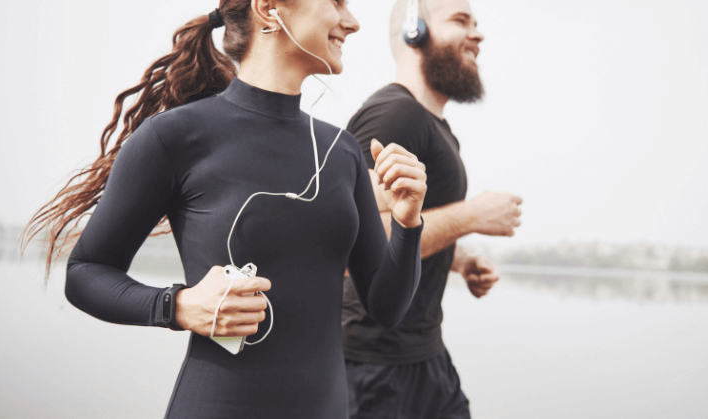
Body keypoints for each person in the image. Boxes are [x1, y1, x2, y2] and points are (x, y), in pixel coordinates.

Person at [21, 1, 429, 418]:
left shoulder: (340, 153)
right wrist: (177, 306)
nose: (353, 22)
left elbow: (386, 307)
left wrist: (408, 220)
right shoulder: (175, 137)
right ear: (270, 9)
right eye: (335, 2)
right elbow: (86, 272)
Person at [341, 0, 523, 418]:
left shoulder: (434, 127)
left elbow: (407, 227)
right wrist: (471, 216)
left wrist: (458, 259)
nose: (477, 34)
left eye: (476, 23)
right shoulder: (394, 114)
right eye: (461, 21)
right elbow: (354, 247)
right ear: (413, 31)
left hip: (425, 356)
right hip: (373, 365)